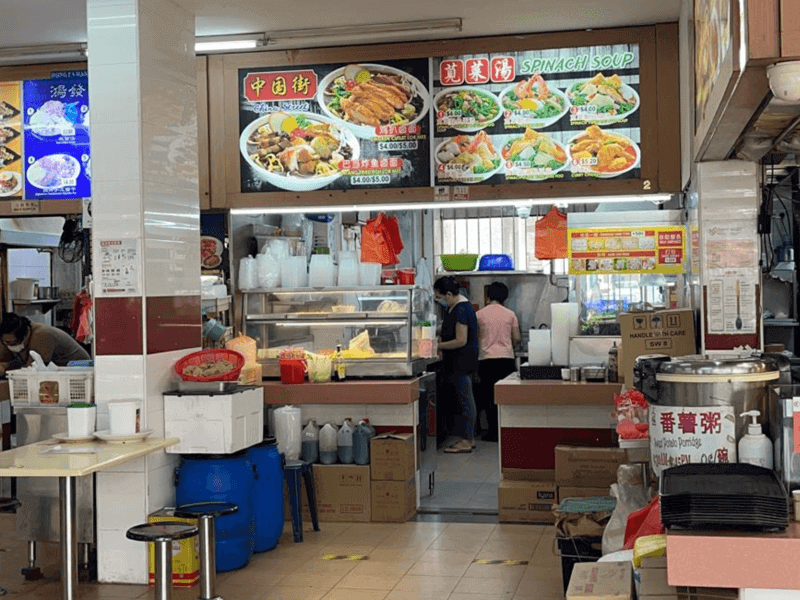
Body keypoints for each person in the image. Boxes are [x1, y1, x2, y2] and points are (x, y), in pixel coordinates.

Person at [434, 276, 479, 454]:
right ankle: (467, 438)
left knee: (465, 399)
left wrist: (437, 345)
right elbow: (447, 327)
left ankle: (467, 440)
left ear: (449, 294)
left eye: (439, 297)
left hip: (461, 362)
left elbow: (461, 340)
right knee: (464, 399)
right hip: (459, 362)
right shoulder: (457, 306)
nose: (439, 301)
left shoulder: (460, 309)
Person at [475, 282, 521, 442]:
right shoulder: (510, 314)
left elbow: (477, 337)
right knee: (506, 397)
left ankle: (493, 432)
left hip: (486, 361)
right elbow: (516, 338)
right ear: (505, 297)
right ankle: (507, 431)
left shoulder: (479, 314)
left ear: (488, 296)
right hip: (506, 360)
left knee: (489, 398)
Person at [0, 313, 90, 376]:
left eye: (14, 343)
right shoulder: (16, 337)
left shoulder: (41, 336)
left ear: (24, 335)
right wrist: (5, 366)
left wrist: (6, 368)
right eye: (7, 343)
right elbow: (20, 361)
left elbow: (31, 370)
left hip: (78, 370)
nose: (11, 346)